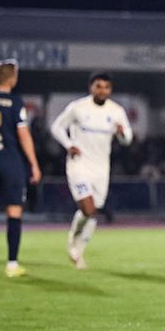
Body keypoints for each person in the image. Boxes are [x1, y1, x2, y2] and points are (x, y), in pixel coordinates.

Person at [50, 72, 133, 269]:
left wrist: (122, 134)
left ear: (110, 90)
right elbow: (56, 127)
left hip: (102, 169)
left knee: (92, 212)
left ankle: (78, 250)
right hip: (79, 165)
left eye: (106, 87)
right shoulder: (78, 108)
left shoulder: (117, 111)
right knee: (88, 208)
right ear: (91, 88)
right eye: (98, 86)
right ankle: (74, 239)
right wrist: (69, 144)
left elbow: (128, 139)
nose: (102, 90)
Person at [0, 59, 42, 277]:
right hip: (10, 162)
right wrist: (34, 163)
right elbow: (23, 134)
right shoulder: (15, 102)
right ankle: (12, 264)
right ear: (13, 77)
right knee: (14, 210)